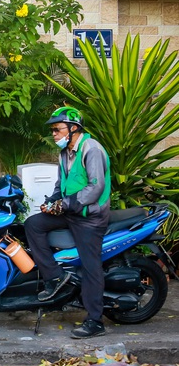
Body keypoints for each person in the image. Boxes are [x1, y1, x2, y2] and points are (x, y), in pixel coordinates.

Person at [24, 106, 111, 340]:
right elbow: (61, 183)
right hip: (71, 210)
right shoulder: (65, 152)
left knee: (90, 266)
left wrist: (67, 203)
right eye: (53, 130)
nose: (54, 134)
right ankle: (55, 278)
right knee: (33, 224)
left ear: (73, 128)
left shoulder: (92, 149)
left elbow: (96, 186)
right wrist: (53, 200)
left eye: (57, 129)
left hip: (90, 216)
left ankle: (95, 321)